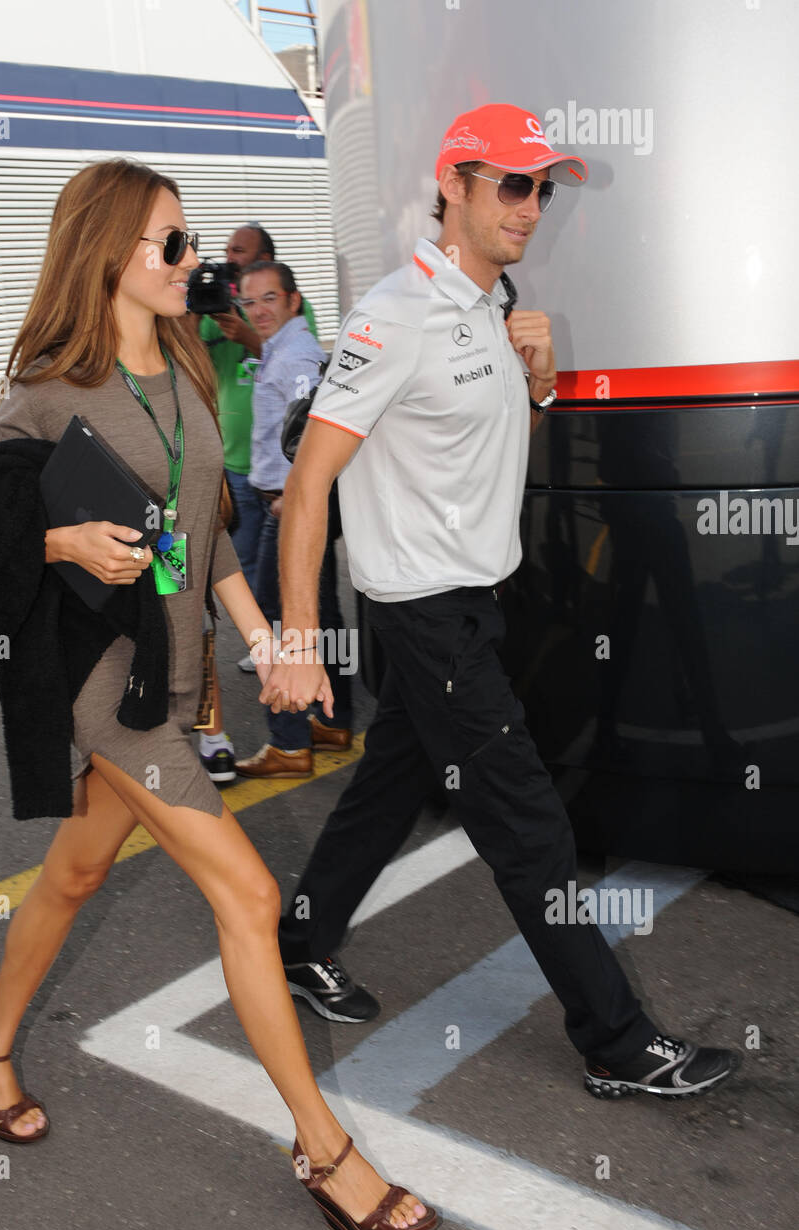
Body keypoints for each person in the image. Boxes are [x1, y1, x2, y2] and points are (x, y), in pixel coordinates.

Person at [0, 158, 435, 1230]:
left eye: (191, 243)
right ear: (107, 254)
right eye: (170, 244)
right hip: (98, 689)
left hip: (173, 676)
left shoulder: (178, 364)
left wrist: (269, 642)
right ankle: (325, 1150)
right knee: (251, 899)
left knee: (75, 875)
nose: (193, 263)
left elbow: (198, 534)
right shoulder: (43, 388)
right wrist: (53, 537)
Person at [261, 104, 742, 1101]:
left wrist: (537, 387)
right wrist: (300, 641)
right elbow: (307, 486)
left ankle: (300, 944)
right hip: (424, 614)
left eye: (542, 187)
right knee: (528, 827)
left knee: (389, 780)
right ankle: (614, 1040)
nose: (531, 205)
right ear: (453, 185)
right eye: (511, 184)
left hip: (471, 600)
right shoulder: (391, 313)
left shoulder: (491, 303)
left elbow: (475, 454)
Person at [231, 260, 353, 777]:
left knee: (271, 621)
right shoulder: (279, 348)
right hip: (287, 502)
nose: (257, 311)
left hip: (288, 508)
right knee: (322, 614)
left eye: (269, 300)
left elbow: (309, 431)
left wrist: (291, 495)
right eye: (250, 301)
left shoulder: (296, 354)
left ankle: (288, 741)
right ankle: (331, 719)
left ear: (293, 300)